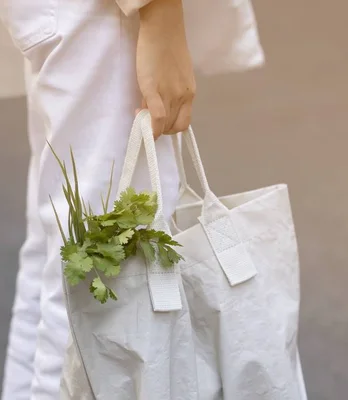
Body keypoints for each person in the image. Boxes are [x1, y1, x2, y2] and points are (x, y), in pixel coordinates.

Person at [0, 0, 264, 398]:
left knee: (58, 259)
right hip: (105, 13)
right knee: (101, 290)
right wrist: (159, 13)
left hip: (60, 15)